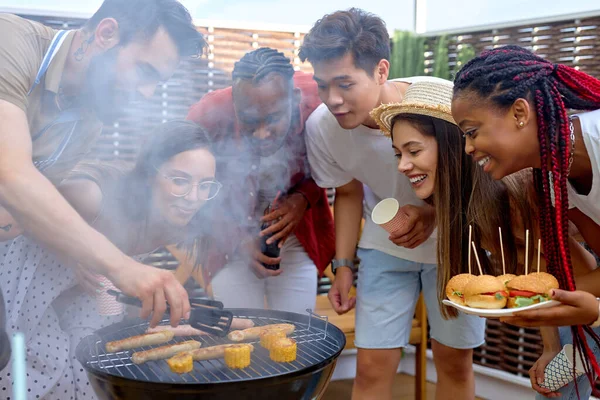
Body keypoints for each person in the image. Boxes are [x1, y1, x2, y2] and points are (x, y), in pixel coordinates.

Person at [371, 79, 600, 399]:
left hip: (587, 303)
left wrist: (555, 332)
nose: (403, 165)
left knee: (558, 390)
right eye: (398, 153)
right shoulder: (464, 205)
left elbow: (581, 269)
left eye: (413, 150)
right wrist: (549, 346)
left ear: (451, 145)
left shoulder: (507, 195)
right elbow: (531, 271)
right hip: (566, 299)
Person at [299, 8, 485, 400]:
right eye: (322, 85)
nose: (333, 99)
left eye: (345, 83)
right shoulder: (321, 128)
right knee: (371, 368)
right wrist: (343, 265)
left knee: (453, 362)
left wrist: (435, 212)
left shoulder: (440, 103)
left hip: (452, 246)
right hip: (384, 250)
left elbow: (481, 176)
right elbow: (346, 192)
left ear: (381, 70)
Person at [0, 0, 207, 326]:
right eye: (144, 71)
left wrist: (76, 249)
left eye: (159, 83)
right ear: (107, 33)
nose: (148, 93)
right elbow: (11, 176)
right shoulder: (9, 41)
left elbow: (25, 209)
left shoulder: (89, 120)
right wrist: (121, 266)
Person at [0, 120, 220, 399]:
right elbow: (23, 210)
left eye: (205, 185)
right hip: (26, 287)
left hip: (83, 301)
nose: (193, 197)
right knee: (34, 373)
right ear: (150, 173)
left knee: (90, 375)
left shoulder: (180, 219)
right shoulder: (93, 195)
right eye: (179, 180)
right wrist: (70, 251)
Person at [184, 47, 335, 313]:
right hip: (228, 241)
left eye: (274, 118)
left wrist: (303, 198)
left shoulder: (319, 105)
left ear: (294, 99)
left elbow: (337, 163)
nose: (263, 134)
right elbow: (189, 187)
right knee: (239, 337)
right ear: (235, 106)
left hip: (297, 237)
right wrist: (238, 238)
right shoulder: (207, 116)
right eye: (250, 121)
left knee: (296, 335)